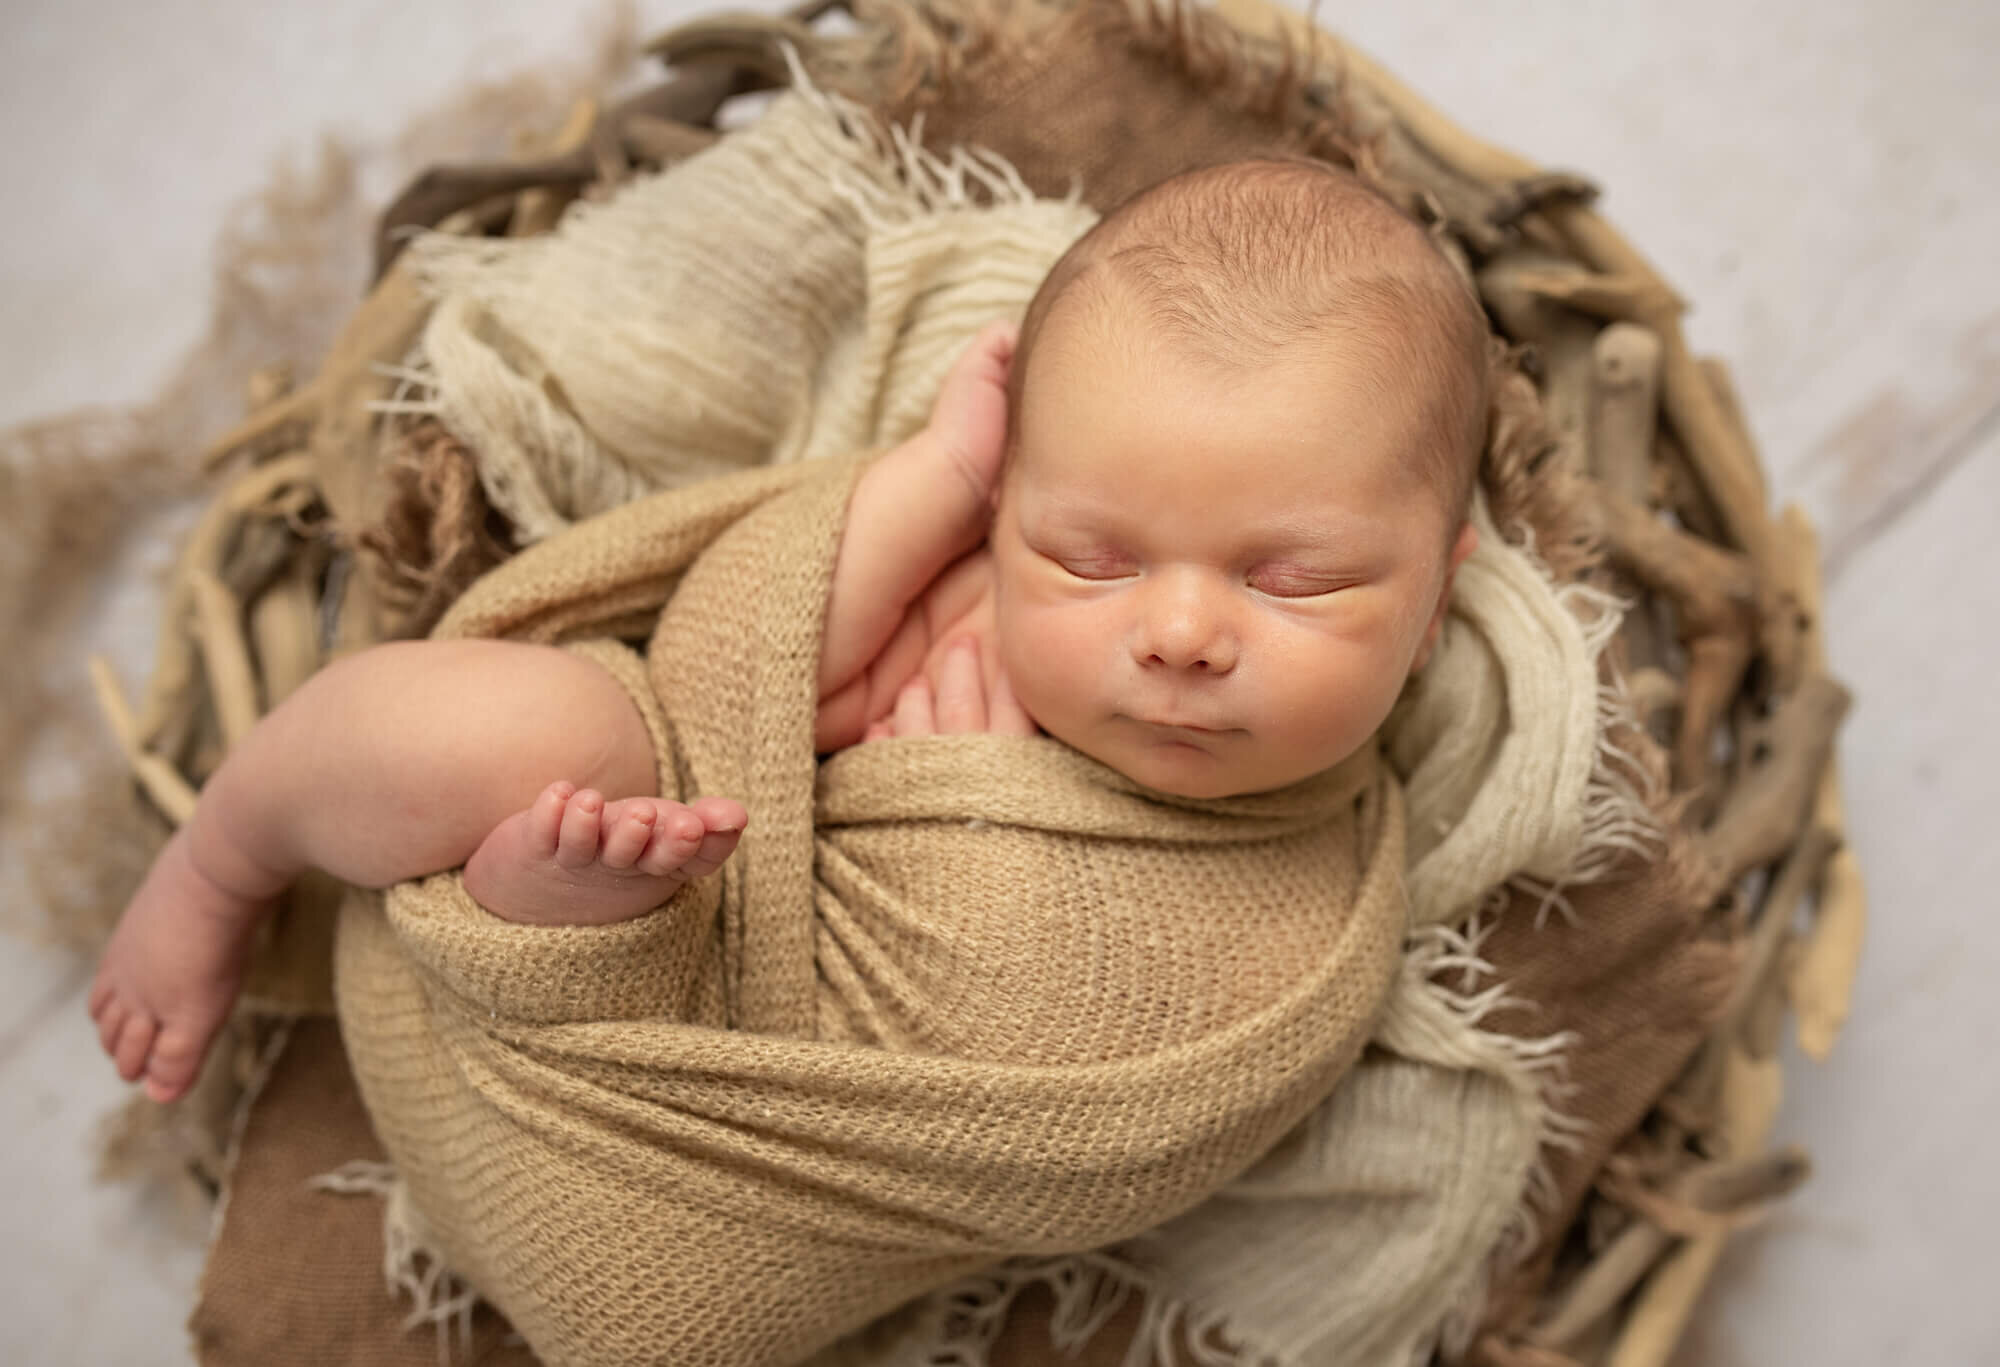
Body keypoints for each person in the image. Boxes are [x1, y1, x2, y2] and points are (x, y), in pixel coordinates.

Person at [89, 157, 1489, 1106]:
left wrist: (976, 861)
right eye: (1093, 555)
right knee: (537, 733)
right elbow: (740, 677)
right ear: (1006, 510)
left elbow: (1081, 1118)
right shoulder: (962, 596)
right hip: (680, 835)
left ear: (1438, 597)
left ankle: (573, 930)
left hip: (718, 1111)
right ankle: (227, 858)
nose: (1181, 630)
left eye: (1294, 581)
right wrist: (926, 489)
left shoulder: (1324, 911)